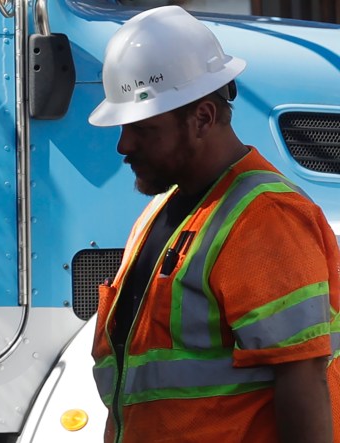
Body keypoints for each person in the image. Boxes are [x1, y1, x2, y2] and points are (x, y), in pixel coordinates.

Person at [87, 5, 340, 443]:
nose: (124, 144)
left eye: (143, 129)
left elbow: (303, 380)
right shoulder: (162, 212)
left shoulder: (265, 220)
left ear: (202, 117)